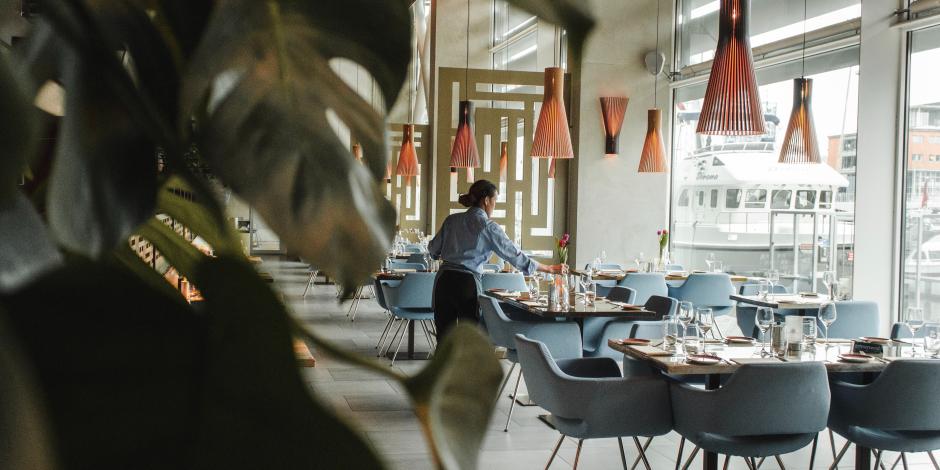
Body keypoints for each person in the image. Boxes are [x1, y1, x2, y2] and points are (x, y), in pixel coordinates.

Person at [428, 179, 565, 338]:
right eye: (494, 201)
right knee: (470, 341)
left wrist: (446, 252)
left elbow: (432, 249)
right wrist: (547, 268)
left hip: (443, 282)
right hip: (467, 284)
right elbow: (513, 255)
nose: (494, 205)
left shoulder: (451, 220)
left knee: (443, 339)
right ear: (486, 200)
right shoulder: (487, 226)